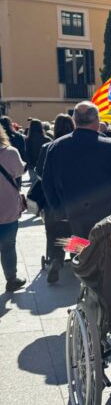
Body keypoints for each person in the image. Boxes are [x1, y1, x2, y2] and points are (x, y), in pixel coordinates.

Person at [42, 101, 111, 245]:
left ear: (74, 120)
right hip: (106, 216)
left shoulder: (56, 146)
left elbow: (47, 182)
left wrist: (59, 210)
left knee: (78, 255)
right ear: (97, 120)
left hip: (72, 216)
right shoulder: (109, 146)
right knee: (104, 254)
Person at [35, 113, 75, 281]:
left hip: (53, 199)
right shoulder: (77, 147)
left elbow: (39, 174)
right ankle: (75, 258)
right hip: (76, 199)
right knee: (74, 231)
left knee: (54, 231)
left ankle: (56, 258)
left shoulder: (48, 147)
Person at [0, 123, 26, 292]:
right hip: (7, 207)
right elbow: (20, 171)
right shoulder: (10, 152)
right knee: (8, 246)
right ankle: (11, 279)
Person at [25, 119, 48, 186]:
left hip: (32, 166)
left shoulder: (27, 140)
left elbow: (26, 153)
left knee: (33, 186)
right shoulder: (47, 139)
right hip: (44, 167)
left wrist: (29, 164)